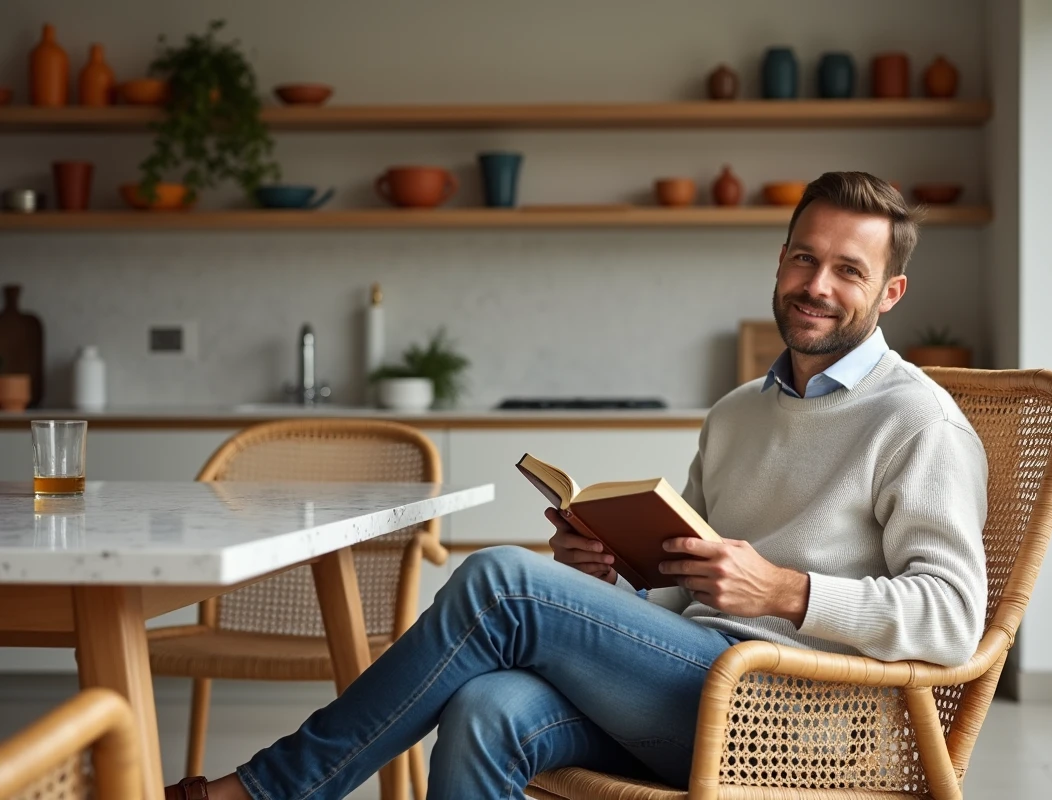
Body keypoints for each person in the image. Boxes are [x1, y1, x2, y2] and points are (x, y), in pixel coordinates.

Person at [166, 171, 988, 800]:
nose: (817, 285)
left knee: (500, 580)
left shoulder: (919, 421)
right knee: (486, 709)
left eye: (848, 270)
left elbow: (954, 620)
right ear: (779, 261)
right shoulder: (739, 412)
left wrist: (783, 590)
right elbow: (685, 587)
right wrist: (617, 572)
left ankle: (270, 790)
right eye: (804, 258)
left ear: (890, 293)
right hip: (692, 692)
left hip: (798, 722)